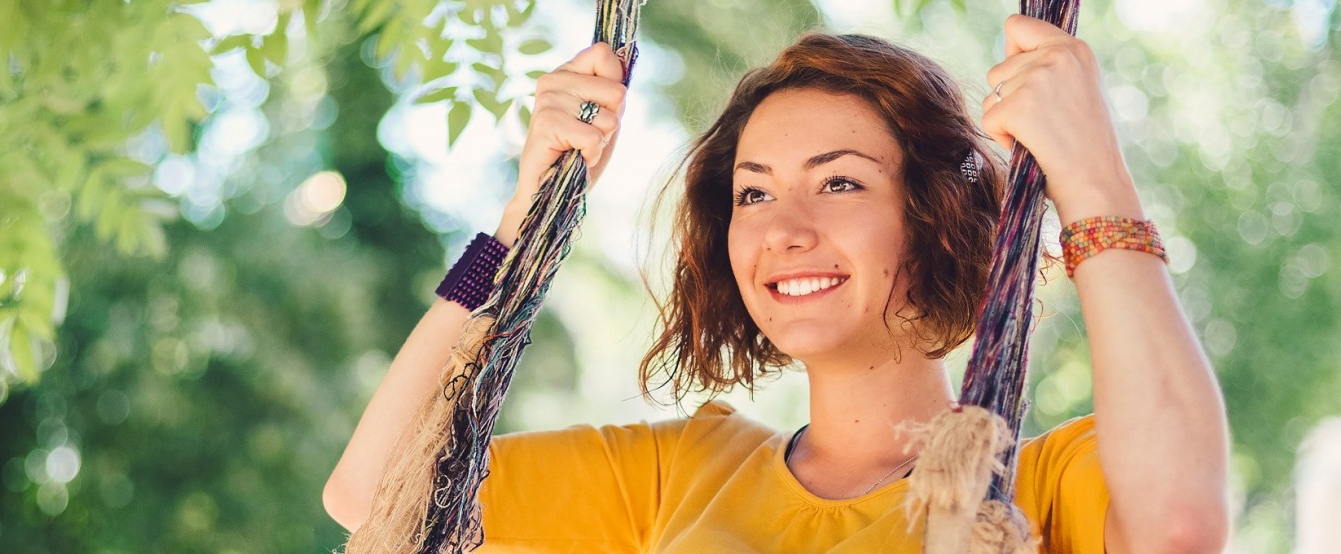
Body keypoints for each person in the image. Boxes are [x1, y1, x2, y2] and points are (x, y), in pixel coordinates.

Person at [324, 15, 1230, 552]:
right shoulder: (677, 471)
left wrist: (1093, 176)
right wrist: (527, 210)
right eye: (753, 192)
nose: (783, 230)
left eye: (839, 182)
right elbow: (376, 501)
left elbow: (1179, 524)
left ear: (933, 216)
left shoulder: (1041, 484)